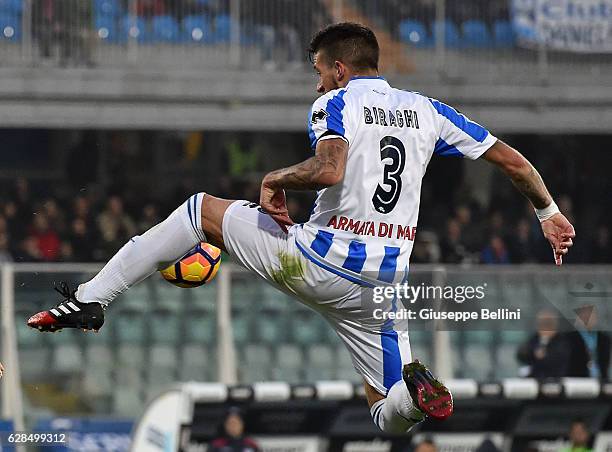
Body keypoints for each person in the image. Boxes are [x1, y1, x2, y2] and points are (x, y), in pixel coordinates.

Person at [27, 23, 575, 434]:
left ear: (338, 68)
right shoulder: (429, 110)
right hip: (382, 289)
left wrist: (276, 177)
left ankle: (91, 297)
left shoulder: (336, 103)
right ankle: (415, 392)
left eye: (318, 71)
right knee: (387, 415)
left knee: (199, 211)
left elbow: (330, 167)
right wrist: (548, 214)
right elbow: (512, 161)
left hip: (317, 262)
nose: (317, 83)